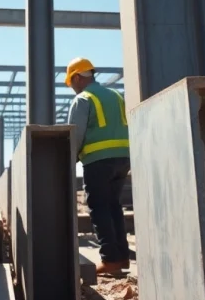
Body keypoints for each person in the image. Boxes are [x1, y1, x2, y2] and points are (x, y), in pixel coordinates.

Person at [65, 56, 131, 276]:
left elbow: (76, 133)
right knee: (113, 206)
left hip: (98, 160)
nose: (72, 87)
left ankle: (110, 259)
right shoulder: (115, 95)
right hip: (122, 159)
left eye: (71, 82)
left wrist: (68, 160)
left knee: (99, 207)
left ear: (77, 78)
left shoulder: (83, 99)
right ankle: (122, 257)